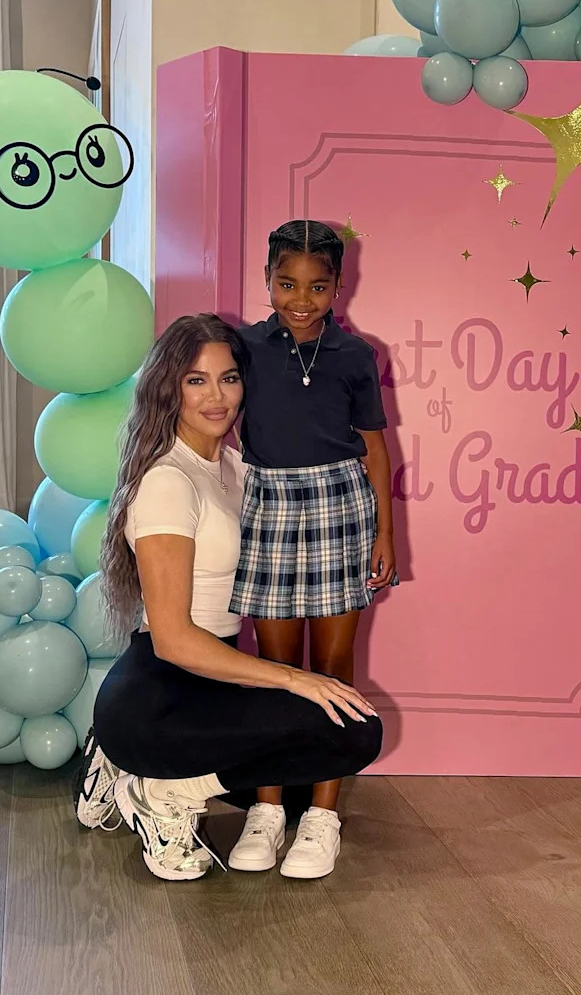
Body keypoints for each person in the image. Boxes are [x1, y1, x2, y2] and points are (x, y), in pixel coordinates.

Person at [77, 313, 382, 882]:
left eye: (229, 378)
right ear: (167, 387)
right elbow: (173, 641)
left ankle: (128, 769)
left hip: (219, 674)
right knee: (333, 731)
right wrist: (294, 679)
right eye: (196, 380)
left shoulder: (240, 468)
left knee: (323, 760)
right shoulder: (167, 481)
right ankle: (154, 788)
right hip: (163, 690)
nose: (216, 397)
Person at [226, 219, 396, 878]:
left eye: (317, 286)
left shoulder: (355, 355)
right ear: (267, 280)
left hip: (340, 507)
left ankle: (322, 816)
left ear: (338, 286)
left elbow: (375, 448)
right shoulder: (243, 347)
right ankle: (267, 809)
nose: (301, 299)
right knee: (273, 667)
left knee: (330, 666)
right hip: (268, 503)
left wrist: (385, 532)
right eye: (287, 283)